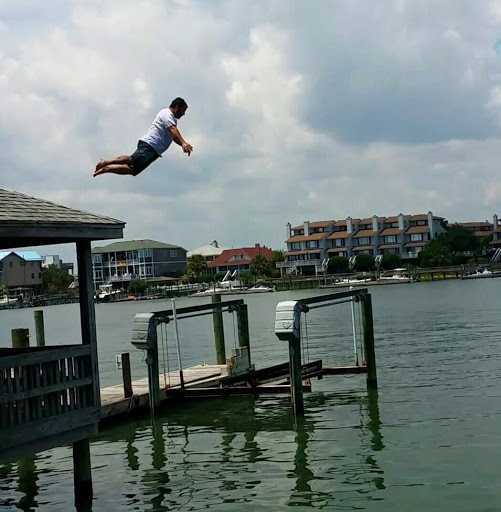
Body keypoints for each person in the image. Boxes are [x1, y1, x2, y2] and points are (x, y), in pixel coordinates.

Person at [93, 97, 193, 178]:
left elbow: (174, 136)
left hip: (154, 151)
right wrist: (184, 143)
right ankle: (106, 162)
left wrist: (181, 144)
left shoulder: (172, 120)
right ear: (177, 107)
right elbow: (172, 129)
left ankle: (107, 169)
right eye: (183, 110)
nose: (183, 114)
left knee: (133, 170)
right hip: (150, 145)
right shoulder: (166, 113)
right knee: (132, 159)